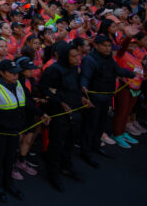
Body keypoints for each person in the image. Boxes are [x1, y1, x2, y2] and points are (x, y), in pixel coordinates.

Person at [0, 59, 38, 202]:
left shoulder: (18, 84)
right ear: (2, 73)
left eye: (17, 73)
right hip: (0, 131)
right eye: (11, 73)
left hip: (15, 129)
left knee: (10, 158)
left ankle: (9, 184)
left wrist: (40, 113)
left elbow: (27, 101)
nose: (15, 75)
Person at [38, 42, 92, 192]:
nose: (78, 59)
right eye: (74, 56)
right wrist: (60, 102)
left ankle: (66, 165)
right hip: (59, 112)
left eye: (78, 55)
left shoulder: (74, 69)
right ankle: (53, 173)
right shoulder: (54, 70)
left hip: (75, 109)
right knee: (57, 143)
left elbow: (75, 87)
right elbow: (43, 88)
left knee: (70, 141)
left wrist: (82, 98)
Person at [80, 34, 135, 158]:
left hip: (107, 96)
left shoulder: (109, 58)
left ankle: (95, 145)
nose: (107, 48)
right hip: (94, 98)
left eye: (109, 46)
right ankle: (86, 151)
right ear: (96, 45)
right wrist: (84, 86)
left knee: (101, 124)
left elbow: (117, 70)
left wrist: (132, 74)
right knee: (90, 125)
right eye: (104, 46)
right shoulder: (90, 59)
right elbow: (85, 76)